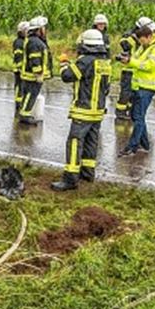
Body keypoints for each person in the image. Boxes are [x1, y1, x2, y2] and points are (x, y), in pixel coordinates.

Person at [54, 29, 111, 191]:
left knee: (74, 142)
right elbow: (106, 87)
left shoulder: (85, 61)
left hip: (83, 111)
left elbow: (67, 76)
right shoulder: (105, 62)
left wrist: (64, 63)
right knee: (91, 142)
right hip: (98, 111)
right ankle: (87, 174)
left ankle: (70, 179)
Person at [119, 20, 155, 156]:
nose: (141, 43)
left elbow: (148, 66)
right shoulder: (144, 47)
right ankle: (144, 144)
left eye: (142, 40)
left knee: (138, 117)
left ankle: (132, 146)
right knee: (136, 116)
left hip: (148, 87)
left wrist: (131, 62)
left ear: (149, 36)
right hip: (139, 86)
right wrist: (126, 61)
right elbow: (136, 61)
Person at [18, 16, 52, 125]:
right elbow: (35, 59)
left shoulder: (36, 41)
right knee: (30, 94)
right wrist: (38, 73)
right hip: (32, 76)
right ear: (38, 29)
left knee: (30, 94)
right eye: (43, 28)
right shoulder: (35, 42)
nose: (45, 30)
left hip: (32, 75)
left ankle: (25, 112)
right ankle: (25, 115)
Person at [113, 18, 146, 120]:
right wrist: (133, 37)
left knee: (133, 93)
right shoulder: (130, 36)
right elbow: (125, 45)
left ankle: (129, 111)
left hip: (137, 69)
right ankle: (120, 111)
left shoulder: (143, 38)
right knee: (126, 92)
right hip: (128, 69)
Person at [12, 20, 29, 114]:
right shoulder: (19, 42)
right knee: (19, 87)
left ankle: (20, 103)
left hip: (22, 69)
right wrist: (20, 68)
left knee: (22, 87)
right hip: (19, 70)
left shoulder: (24, 41)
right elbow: (18, 57)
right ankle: (18, 105)